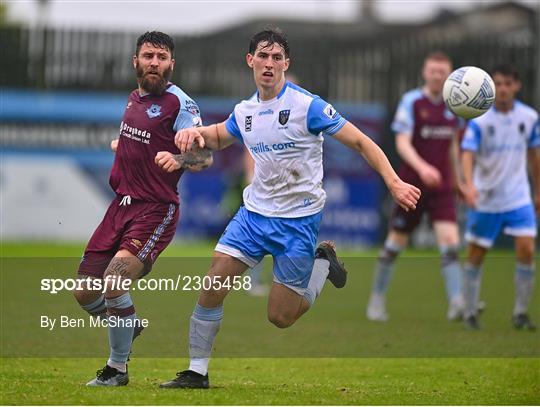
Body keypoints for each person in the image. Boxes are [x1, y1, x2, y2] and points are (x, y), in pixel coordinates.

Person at [159, 28, 420, 389]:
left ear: (286, 63)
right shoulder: (246, 111)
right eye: (262, 56)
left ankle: (322, 266)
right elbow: (218, 137)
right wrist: (193, 138)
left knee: (281, 317)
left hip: (297, 221)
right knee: (214, 280)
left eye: (276, 57)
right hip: (254, 215)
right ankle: (196, 371)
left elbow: (360, 141)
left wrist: (393, 182)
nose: (269, 63)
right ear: (250, 60)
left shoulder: (306, 106)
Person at [73, 31, 212, 386]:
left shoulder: (180, 103)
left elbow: (204, 157)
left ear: (171, 64)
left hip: (155, 210)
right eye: (148, 55)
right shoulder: (134, 98)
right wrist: (123, 144)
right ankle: (128, 322)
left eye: (161, 57)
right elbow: (144, 140)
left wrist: (179, 156)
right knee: (85, 293)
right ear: (136, 61)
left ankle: (116, 369)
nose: (155, 62)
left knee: (114, 282)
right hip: (119, 206)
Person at [366, 52, 466, 322]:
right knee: (394, 244)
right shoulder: (411, 101)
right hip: (411, 187)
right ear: (425, 72)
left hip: (442, 187)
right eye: (433, 71)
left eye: (442, 71)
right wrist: (423, 168)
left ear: (450, 73)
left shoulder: (455, 104)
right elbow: (402, 143)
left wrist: (460, 182)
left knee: (450, 243)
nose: (437, 75)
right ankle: (376, 300)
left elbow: (454, 147)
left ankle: (457, 303)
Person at [460, 64, 539, 330]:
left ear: (516, 86)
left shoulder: (529, 117)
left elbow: (534, 155)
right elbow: (467, 153)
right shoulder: (479, 118)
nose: (503, 89)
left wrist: (538, 191)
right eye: (498, 84)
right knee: (476, 254)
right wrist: (469, 186)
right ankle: (470, 312)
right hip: (486, 198)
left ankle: (519, 313)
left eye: (508, 83)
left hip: (519, 196)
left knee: (527, 249)